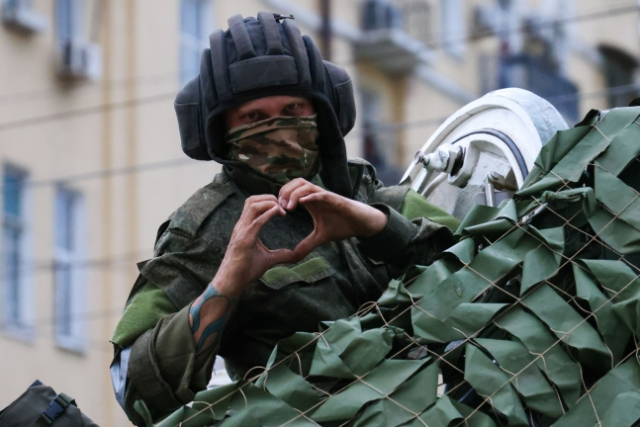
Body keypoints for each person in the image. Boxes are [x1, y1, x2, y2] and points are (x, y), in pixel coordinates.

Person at [110, 12, 460, 426]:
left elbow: (492, 269)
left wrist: (378, 227)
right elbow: (133, 387)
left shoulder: (368, 192)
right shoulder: (205, 230)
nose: (279, 130)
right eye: (254, 119)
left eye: (293, 109)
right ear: (221, 131)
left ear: (323, 112)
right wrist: (227, 282)